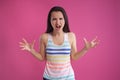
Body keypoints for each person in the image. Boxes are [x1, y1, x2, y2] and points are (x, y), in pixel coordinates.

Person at [19, 6, 99, 80]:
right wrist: (31, 50)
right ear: (50, 21)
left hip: (68, 77)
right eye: (54, 19)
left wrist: (85, 49)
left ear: (65, 20)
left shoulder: (71, 36)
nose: (58, 22)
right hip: (49, 78)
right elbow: (42, 57)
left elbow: (74, 57)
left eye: (61, 19)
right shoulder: (44, 37)